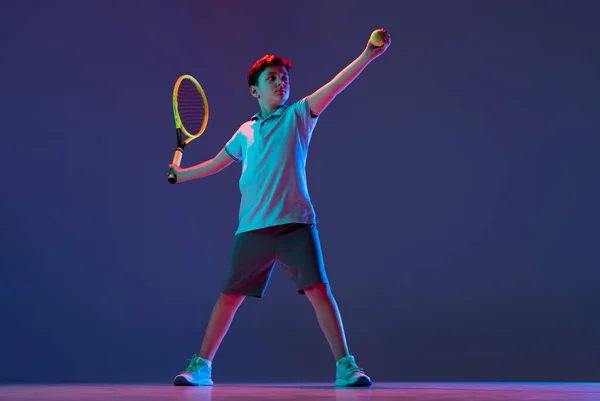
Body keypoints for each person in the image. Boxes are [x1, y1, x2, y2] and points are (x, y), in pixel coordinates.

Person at [169, 29, 391, 387]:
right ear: (255, 91)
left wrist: (368, 54)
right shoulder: (245, 132)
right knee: (228, 298)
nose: (280, 83)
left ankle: (346, 366)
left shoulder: (300, 114)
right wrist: (181, 176)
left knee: (319, 290)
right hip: (253, 229)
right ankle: (201, 367)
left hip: (295, 226)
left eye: (284, 78)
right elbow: (214, 163)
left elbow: (335, 85)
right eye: (271, 78)